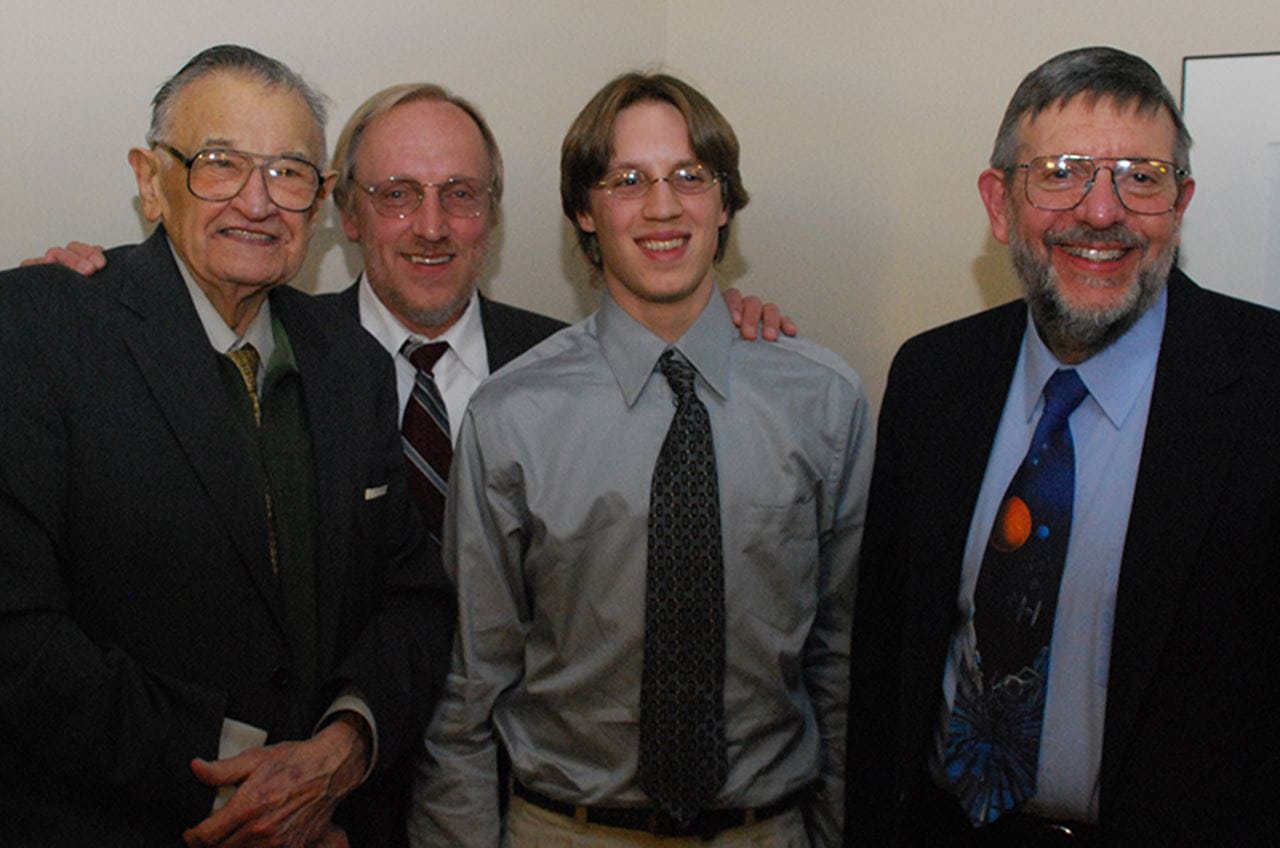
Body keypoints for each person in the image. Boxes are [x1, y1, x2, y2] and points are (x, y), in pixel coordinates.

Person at [0, 45, 454, 847]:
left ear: (319, 201)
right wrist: (253, 788)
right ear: (151, 180)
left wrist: (342, 750)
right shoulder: (37, 330)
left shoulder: (352, 364)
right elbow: (19, 635)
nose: (258, 200)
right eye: (220, 164)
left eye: (288, 173)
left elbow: (412, 599)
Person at [412, 71, 872, 848]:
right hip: (565, 828)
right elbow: (470, 681)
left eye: (690, 176)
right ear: (583, 212)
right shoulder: (512, 415)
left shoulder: (824, 403)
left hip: (764, 829)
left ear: (724, 203)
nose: (663, 207)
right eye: (627, 181)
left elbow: (842, 660)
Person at [845, 45, 1280, 846]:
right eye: (1061, 173)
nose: (1102, 211)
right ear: (1000, 203)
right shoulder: (933, 379)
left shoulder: (1265, 386)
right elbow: (883, 658)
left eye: (1141, 176)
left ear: (1179, 204)